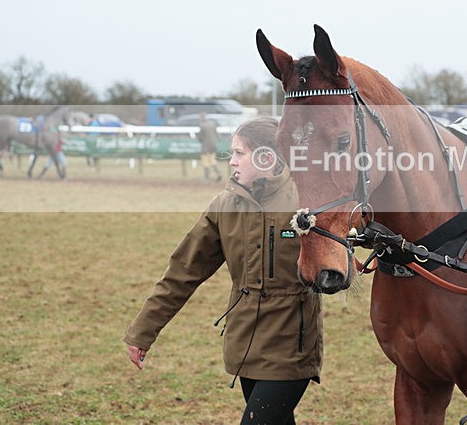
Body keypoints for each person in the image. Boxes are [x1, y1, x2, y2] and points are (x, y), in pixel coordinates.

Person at [124, 116, 322, 425]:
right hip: (244, 343)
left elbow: (350, 243)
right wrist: (143, 331)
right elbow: (182, 272)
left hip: (291, 346)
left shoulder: (309, 201)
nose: (232, 162)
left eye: (239, 153)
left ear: (266, 156)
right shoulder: (224, 206)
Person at [198, 111, 222, 181]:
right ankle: (218, 174)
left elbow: (200, 137)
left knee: (205, 161)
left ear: (201, 117)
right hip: (213, 145)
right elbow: (217, 134)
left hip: (205, 146)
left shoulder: (202, 125)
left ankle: (207, 177)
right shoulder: (212, 123)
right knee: (213, 160)